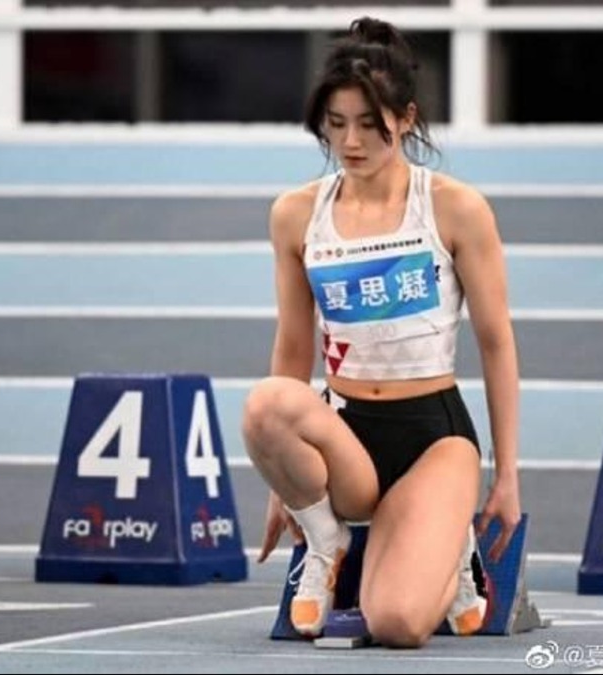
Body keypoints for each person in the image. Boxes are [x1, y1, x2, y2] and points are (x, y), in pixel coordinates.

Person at [241, 16, 522, 649]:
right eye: (336, 124)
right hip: (348, 441)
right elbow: (293, 347)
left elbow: (497, 342)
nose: (351, 141)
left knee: (396, 623)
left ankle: (452, 545)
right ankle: (327, 540)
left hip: (433, 439)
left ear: (406, 118)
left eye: (370, 124)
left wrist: (507, 474)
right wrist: (285, 487)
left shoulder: (454, 207)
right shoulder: (295, 215)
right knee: (264, 405)